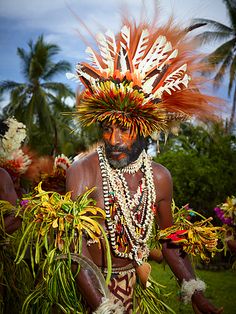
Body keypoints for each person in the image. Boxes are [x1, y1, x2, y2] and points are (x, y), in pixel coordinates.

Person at [66, 14, 223, 314]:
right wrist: (102, 306)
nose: (113, 139)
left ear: (144, 129)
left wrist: (197, 295)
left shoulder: (160, 178)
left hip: (133, 292)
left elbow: (170, 244)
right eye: (107, 129)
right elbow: (76, 253)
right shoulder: (82, 172)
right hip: (90, 293)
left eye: (124, 129)